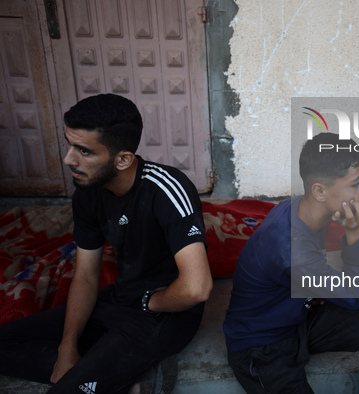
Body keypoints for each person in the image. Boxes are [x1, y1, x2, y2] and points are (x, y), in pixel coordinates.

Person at [0, 94, 212, 393]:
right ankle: (125, 378)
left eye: (84, 151)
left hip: (163, 314)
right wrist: (66, 348)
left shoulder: (166, 189)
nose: (68, 159)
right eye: (70, 145)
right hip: (118, 299)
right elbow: (86, 275)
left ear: (123, 159)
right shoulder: (88, 192)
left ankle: (110, 374)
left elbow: (196, 288)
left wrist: (150, 302)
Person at [223, 132, 359, 393]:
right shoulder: (291, 249)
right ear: (319, 190)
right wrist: (355, 233)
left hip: (297, 317)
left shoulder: (302, 207)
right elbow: (356, 295)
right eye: (356, 183)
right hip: (262, 345)